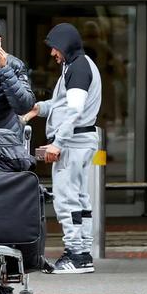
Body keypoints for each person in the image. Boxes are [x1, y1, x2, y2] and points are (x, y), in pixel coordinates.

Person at [24, 23, 101, 274]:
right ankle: (83, 254)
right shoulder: (76, 65)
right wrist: (39, 109)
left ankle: (74, 255)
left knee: (67, 199)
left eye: (54, 48)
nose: (52, 53)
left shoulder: (77, 69)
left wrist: (58, 142)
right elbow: (62, 103)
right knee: (79, 198)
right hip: (80, 141)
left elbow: (75, 110)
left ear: (65, 45)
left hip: (73, 142)